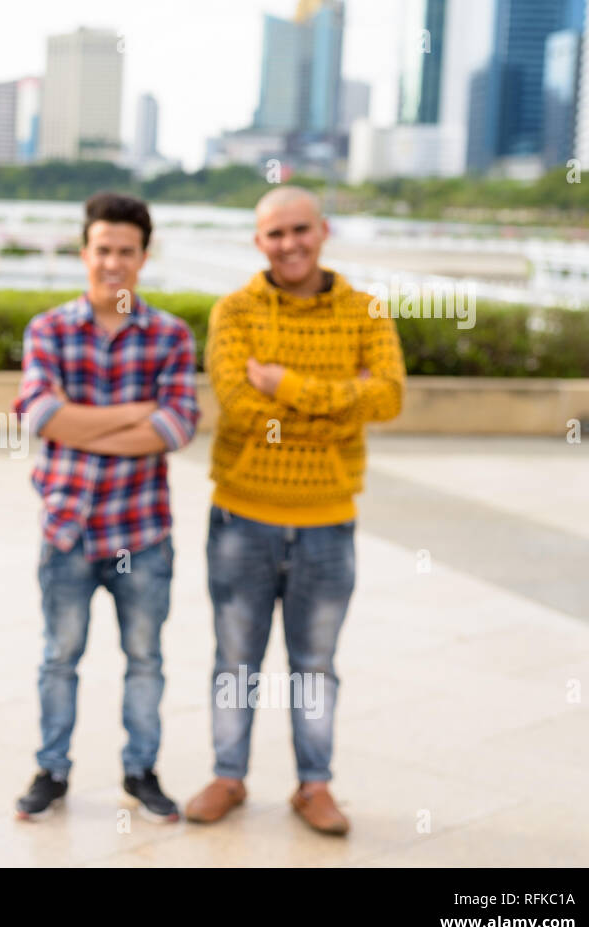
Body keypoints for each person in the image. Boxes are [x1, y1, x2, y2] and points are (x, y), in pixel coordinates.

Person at [183, 185, 405, 835]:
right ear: (259, 242)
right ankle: (229, 774)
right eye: (276, 234)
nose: (290, 244)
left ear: (324, 230)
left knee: (315, 664)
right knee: (234, 659)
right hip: (240, 518)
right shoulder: (235, 311)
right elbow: (241, 407)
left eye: (300, 229)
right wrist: (340, 400)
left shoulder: (367, 312)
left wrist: (285, 384)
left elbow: (388, 396)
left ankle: (314, 784)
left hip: (327, 521)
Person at [11, 192, 199, 823]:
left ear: (144, 257)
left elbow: (175, 428)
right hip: (67, 528)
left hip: (141, 535)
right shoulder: (50, 328)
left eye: (126, 251)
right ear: (84, 252)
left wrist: (78, 423)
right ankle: (52, 771)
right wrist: (132, 414)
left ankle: (141, 771)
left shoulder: (172, 335)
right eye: (102, 250)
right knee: (58, 658)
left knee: (145, 659)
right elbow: (41, 416)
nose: (112, 263)